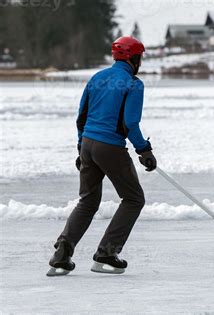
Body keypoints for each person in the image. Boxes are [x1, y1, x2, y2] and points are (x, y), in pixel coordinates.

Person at [47, 36, 157, 276]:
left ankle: (61, 255)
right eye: (141, 57)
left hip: (87, 144)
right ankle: (106, 254)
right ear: (134, 58)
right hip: (110, 148)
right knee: (133, 199)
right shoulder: (133, 83)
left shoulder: (97, 78)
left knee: (88, 201)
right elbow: (130, 123)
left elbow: (82, 116)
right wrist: (144, 150)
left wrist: (80, 147)